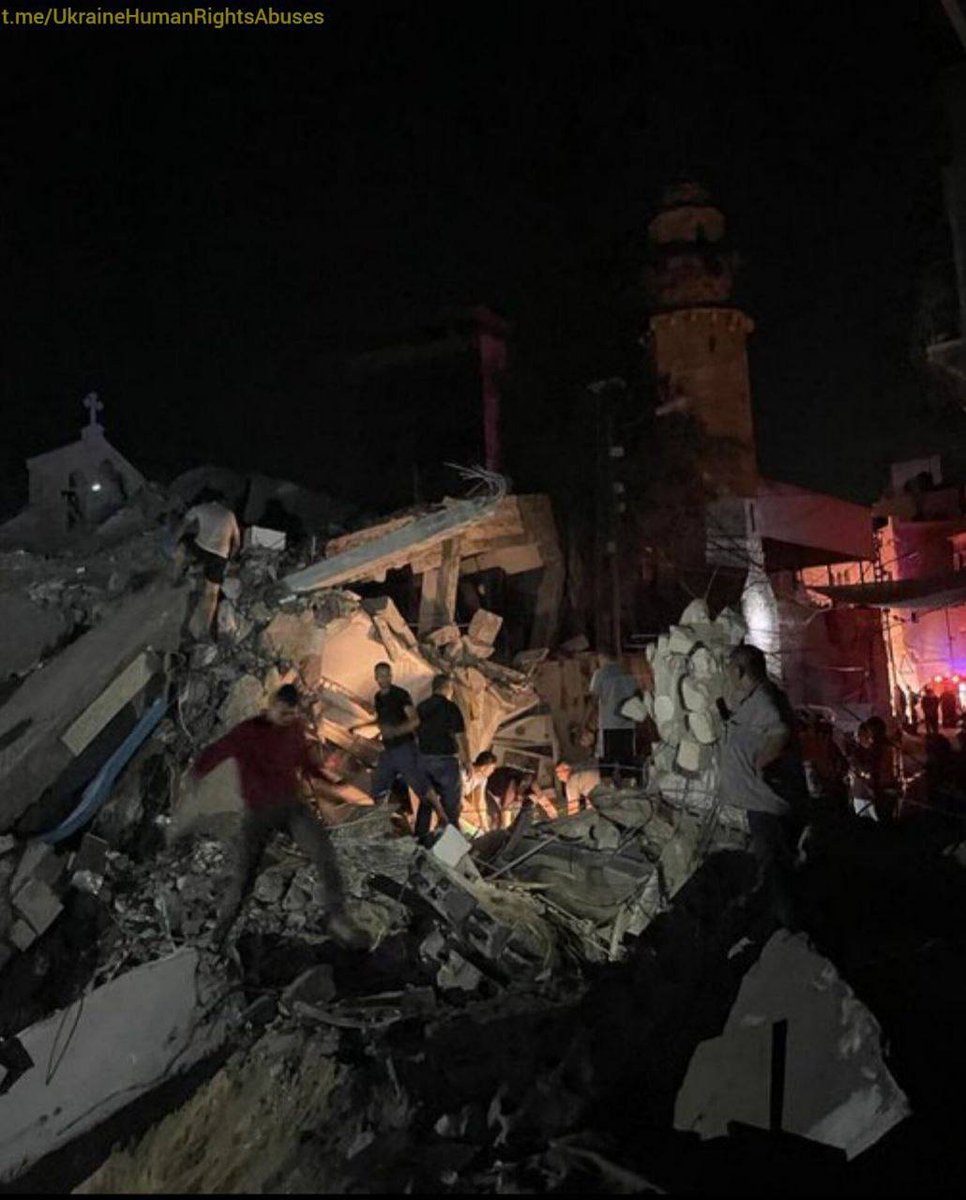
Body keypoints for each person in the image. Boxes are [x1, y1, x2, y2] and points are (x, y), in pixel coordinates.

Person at [190, 684, 355, 946]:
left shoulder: (294, 729)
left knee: (325, 856)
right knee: (244, 877)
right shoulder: (247, 732)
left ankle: (337, 918)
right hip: (259, 812)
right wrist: (196, 774)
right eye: (283, 713)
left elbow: (306, 763)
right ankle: (218, 935)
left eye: (292, 714)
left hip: (291, 806)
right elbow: (217, 751)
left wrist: (332, 782)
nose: (287, 719)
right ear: (271, 706)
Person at [719, 644, 807, 929]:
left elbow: (779, 732)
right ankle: (782, 926)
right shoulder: (757, 698)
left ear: (740, 670)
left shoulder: (765, 699)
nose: (729, 676)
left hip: (767, 807)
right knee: (772, 870)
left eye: (731, 670)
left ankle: (791, 934)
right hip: (761, 805)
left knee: (776, 871)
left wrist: (759, 765)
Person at [370, 662, 436, 832]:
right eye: (380, 675)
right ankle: (386, 826)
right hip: (389, 750)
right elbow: (382, 721)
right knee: (378, 787)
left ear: (391, 676)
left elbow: (415, 720)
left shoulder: (400, 695)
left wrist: (396, 731)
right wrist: (382, 733)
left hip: (404, 747)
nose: (384, 678)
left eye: (387, 674)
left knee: (421, 788)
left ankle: (423, 831)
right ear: (375, 677)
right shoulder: (378, 697)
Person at [173, 490, 242, 640]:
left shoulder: (201, 508)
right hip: (219, 555)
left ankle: (178, 573)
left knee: (184, 544)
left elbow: (182, 526)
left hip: (200, 548)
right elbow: (237, 542)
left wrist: (173, 543)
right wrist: (230, 559)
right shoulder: (230, 515)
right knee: (211, 594)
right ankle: (204, 630)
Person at [416, 675, 469, 838]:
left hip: (424, 760)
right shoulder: (451, 708)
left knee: (426, 802)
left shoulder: (421, 707)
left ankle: (419, 839)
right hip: (445, 762)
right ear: (447, 688)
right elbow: (461, 737)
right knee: (451, 805)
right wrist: (467, 761)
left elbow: (414, 734)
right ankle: (450, 844)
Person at [587, 652, 639, 782]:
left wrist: (587, 722)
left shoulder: (600, 674)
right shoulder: (628, 673)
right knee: (627, 762)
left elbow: (593, 700)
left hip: (608, 724)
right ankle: (629, 789)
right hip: (628, 724)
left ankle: (607, 791)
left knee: (607, 764)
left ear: (601, 657)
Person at [460, 751, 498, 832]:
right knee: (475, 821)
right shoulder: (464, 772)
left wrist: (485, 825)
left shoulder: (483, 778)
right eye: (492, 768)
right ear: (483, 767)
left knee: (485, 819)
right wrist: (474, 817)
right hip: (450, 799)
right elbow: (457, 797)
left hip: (460, 801)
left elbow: (480, 800)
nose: (493, 771)